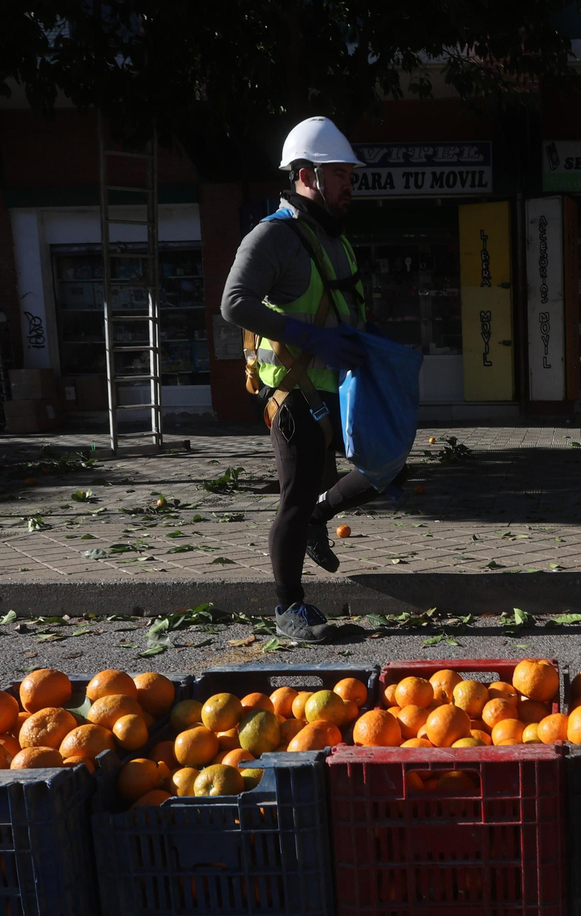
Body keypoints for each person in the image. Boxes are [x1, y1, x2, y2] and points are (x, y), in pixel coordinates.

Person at [220, 116, 396, 643]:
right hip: (294, 392)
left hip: (340, 385)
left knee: (389, 465)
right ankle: (288, 609)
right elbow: (234, 303)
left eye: (348, 175)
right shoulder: (273, 235)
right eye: (339, 175)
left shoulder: (331, 237)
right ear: (305, 175)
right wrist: (311, 338)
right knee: (295, 498)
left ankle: (321, 516)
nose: (349, 185)